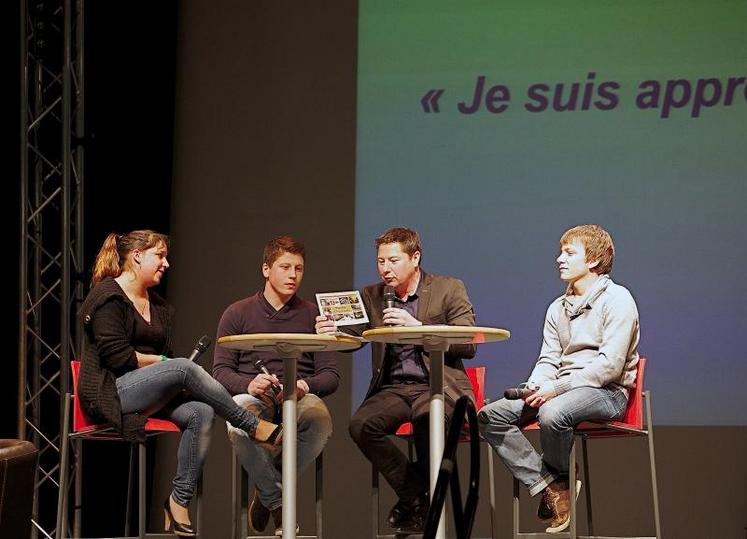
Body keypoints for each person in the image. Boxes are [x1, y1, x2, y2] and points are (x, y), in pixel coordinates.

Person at [78, 230, 281, 538]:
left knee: (201, 411)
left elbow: (164, 360)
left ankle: (177, 500)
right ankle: (251, 426)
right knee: (184, 367)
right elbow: (117, 358)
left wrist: (167, 368)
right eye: (159, 256)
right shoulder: (108, 297)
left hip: (147, 394)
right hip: (110, 394)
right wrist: (163, 364)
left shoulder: (157, 306)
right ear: (136, 256)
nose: (167, 263)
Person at [478, 224, 640, 533]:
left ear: (592, 261)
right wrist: (537, 386)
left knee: (553, 413)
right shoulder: (557, 308)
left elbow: (609, 366)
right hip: (560, 388)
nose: (559, 259)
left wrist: (555, 389)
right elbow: (549, 359)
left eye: (568, 253)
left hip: (606, 391)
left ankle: (557, 481)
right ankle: (552, 485)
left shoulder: (619, 299)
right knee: (490, 416)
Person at [315, 227, 476, 533]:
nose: (385, 269)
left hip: (437, 385)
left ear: (415, 258)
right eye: (380, 262)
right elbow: (354, 337)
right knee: (361, 425)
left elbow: (468, 344)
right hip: (394, 389)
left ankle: (419, 500)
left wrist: (418, 328)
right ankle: (417, 493)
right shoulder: (373, 295)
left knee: (427, 417)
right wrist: (331, 331)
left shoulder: (448, 288)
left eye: (393, 260)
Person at [213, 236, 339, 537]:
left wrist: (303, 385)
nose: (293, 275)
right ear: (266, 269)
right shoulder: (237, 312)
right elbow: (219, 372)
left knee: (320, 420)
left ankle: (267, 488)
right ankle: (279, 503)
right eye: (285, 267)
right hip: (254, 393)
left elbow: (331, 375)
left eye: (299, 268)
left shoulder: (314, 316)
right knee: (239, 420)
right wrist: (249, 383)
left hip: (297, 394)